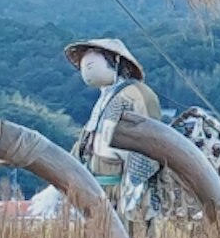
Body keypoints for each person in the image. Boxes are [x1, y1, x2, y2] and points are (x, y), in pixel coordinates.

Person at [66, 37, 163, 215]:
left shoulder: (138, 94)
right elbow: (82, 146)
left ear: (116, 61)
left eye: (96, 56)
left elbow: (149, 145)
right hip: (95, 190)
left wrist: (134, 187)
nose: (87, 64)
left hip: (125, 190)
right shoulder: (102, 101)